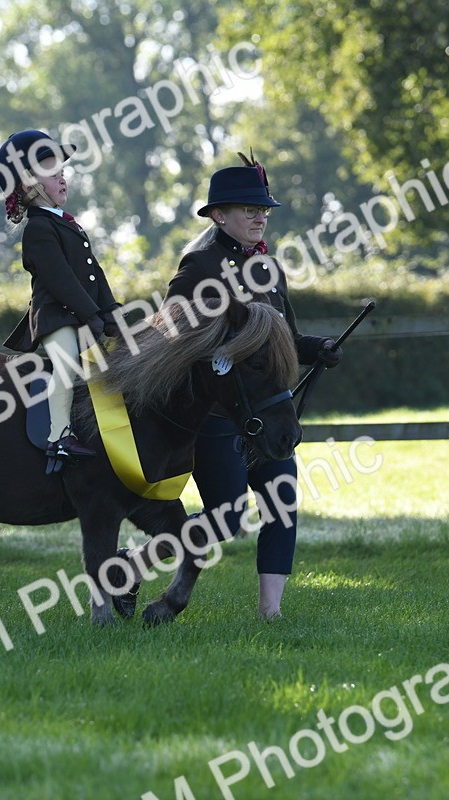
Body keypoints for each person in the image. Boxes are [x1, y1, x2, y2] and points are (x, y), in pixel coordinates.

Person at [124, 153, 341, 619]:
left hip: (268, 410)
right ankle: (132, 565)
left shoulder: (269, 269)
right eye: (250, 210)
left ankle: (270, 612)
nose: (260, 217)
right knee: (225, 518)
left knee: (282, 503)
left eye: (263, 210)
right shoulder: (198, 266)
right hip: (219, 415)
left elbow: (283, 338)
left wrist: (317, 347)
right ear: (219, 216)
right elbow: (170, 337)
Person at [0, 129, 122, 474]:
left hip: (83, 315)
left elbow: (94, 275)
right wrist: (92, 314)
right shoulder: (38, 229)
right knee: (66, 365)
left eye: (62, 172)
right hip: (56, 317)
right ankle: (59, 436)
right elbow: (60, 280)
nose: (62, 178)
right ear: (28, 185)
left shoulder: (69, 225)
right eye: (52, 173)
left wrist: (111, 310)